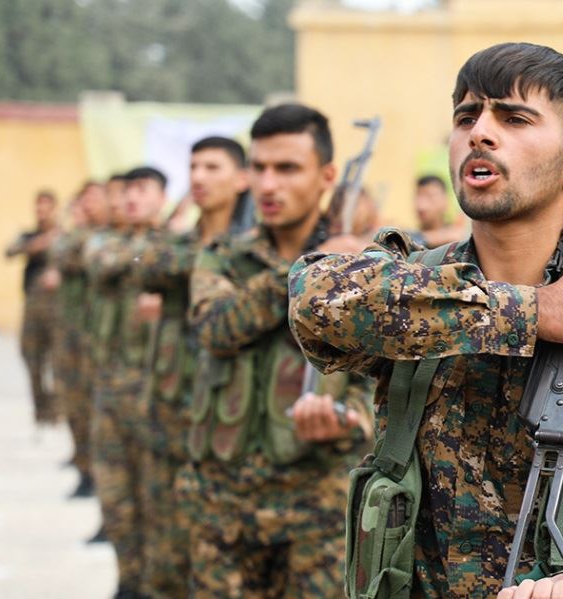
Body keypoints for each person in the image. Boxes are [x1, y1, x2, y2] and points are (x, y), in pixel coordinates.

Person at [289, 43, 563, 598]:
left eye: (515, 118)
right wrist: (533, 312)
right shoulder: (414, 286)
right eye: (466, 116)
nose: (480, 132)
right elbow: (313, 300)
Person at [184, 104, 373, 597]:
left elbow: (385, 382)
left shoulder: (364, 262)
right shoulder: (225, 256)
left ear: (326, 176)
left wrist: (348, 416)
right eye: (260, 168)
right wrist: (307, 273)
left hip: (319, 504)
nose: (268, 185)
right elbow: (214, 327)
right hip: (221, 505)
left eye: (287, 169)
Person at [131, 137, 247, 597]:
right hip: (172, 412)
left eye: (212, 167)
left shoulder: (253, 245)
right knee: (166, 550)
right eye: (193, 167)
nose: (198, 177)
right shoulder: (179, 244)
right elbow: (147, 264)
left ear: (242, 179)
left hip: (230, 418)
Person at [84, 167, 169, 597]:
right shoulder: (109, 243)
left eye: (143, 190)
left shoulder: (175, 245)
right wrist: (149, 252)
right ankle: (128, 577)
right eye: (128, 191)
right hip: (112, 390)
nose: (132, 199)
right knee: (116, 496)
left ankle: (151, 583)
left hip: (156, 395)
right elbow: (102, 264)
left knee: (156, 498)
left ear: (162, 197)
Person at [49, 181, 109, 497]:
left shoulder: (107, 241)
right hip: (76, 335)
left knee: (93, 413)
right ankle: (84, 466)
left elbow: (80, 255)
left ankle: (92, 474)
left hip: (100, 343)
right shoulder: (86, 238)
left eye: (92, 201)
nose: (86, 207)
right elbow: (60, 252)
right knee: (74, 405)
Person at [5, 189, 61, 425]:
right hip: (32, 307)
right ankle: (42, 410)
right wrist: (38, 244)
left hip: (58, 309)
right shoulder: (30, 236)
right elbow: (10, 251)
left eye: (46, 207)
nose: (41, 212)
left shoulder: (64, 236)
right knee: (31, 356)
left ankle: (58, 409)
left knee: (59, 360)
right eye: (38, 207)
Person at [409, 174, 464, 248]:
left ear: (445, 201)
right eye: (418, 196)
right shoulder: (409, 239)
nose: (421, 205)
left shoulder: (459, 241)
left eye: (430, 196)